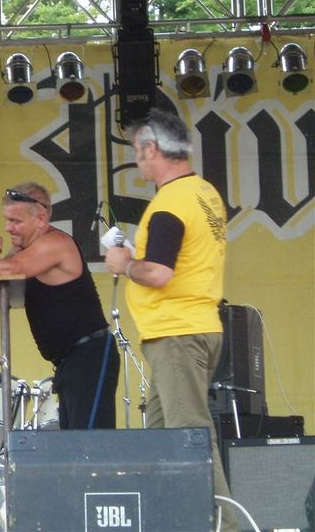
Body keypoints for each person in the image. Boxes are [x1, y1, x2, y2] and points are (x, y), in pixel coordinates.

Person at [104, 108, 237, 531]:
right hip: (192, 327)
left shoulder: (169, 204)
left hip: (178, 333)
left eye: (137, 152)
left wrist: (125, 264)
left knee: (189, 437)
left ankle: (225, 525)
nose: (137, 161)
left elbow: (159, 273)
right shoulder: (205, 193)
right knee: (163, 437)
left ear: (151, 149)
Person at [0, 182, 120, 430]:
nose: (7, 227)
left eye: (15, 221)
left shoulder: (55, 242)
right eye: (6, 220)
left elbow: (12, 269)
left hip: (89, 356)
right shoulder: (26, 250)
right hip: (70, 361)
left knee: (90, 445)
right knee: (75, 446)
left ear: (41, 219)